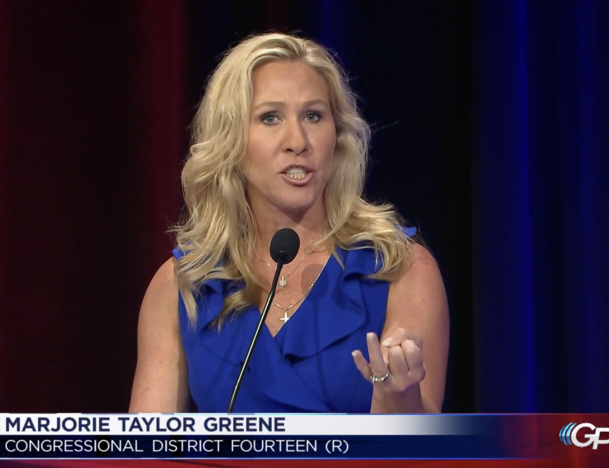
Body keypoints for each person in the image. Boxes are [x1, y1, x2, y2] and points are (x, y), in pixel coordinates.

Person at [129, 32, 449, 414]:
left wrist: (398, 398)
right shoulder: (182, 286)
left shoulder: (400, 269)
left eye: (313, 116)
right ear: (232, 140)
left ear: (337, 137)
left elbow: (418, 450)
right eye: (270, 117)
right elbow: (146, 451)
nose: (298, 140)